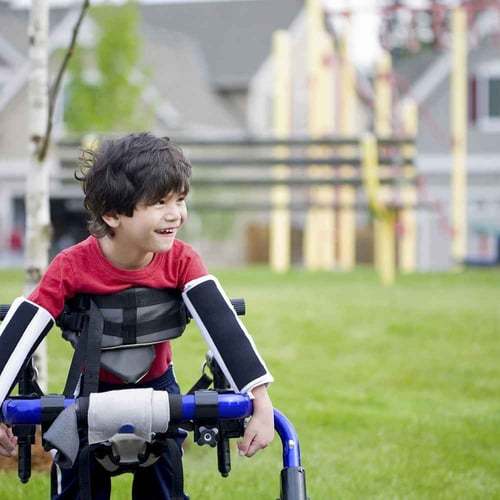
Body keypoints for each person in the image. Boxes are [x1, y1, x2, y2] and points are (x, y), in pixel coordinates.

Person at [0, 132, 274, 499]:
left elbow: (222, 325)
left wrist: (260, 399)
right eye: (159, 202)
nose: (175, 214)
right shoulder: (71, 265)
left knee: (164, 489)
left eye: (180, 199)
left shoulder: (182, 260)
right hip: (91, 394)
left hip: (160, 390)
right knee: (78, 487)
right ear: (112, 213)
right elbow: (24, 326)